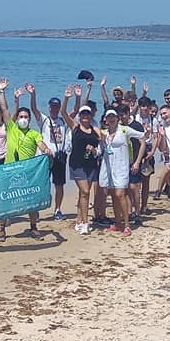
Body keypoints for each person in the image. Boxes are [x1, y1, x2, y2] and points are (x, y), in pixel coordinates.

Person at [0, 79, 53, 241]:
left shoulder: (34, 133)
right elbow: (4, 109)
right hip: (9, 170)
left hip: (27, 172)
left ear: (29, 119)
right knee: (5, 200)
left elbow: (41, 144)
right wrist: (1, 91)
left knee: (31, 201)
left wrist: (46, 150)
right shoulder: (11, 128)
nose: (23, 119)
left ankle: (33, 227)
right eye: (21, 116)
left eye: (26, 117)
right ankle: (1, 228)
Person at [98, 108, 145, 236]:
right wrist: (93, 149)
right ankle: (118, 222)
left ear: (117, 118)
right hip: (108, 169)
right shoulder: (103, 133)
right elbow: (100, 151)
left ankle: (127, 225)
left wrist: (137, 161)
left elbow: (142, 136)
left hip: (122, 168)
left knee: (120, 194)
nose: (111, 119)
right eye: (109, 117)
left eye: (113, 116)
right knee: (113, 195)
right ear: (106, 120)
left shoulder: (124, 130)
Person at [61, 84, 101, 235]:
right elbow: (63, 113)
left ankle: (78, 221)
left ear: (91, 116)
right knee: (85, 191)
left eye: (87, 114)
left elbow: (104, 141)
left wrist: (95, 150)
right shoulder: (75, 127)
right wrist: (67, 98)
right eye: (83, 114)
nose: (85, 116)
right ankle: (85, 222)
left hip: (91, 164)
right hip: (77, 164)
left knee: (84, 194)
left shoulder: (94, 129)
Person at [39, 95, 71, 220]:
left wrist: (71, 98)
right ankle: (37, 210)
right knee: (42, 184)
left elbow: (75, 111)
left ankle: (57, 209)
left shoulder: (63, 121)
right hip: (46, 157)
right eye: (52, 107)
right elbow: (34, 109)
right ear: (49, 107)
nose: (54, 109)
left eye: (57, 107)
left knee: (59, 185)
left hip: (60, 157)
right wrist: (33, 95)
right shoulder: (44, 120)